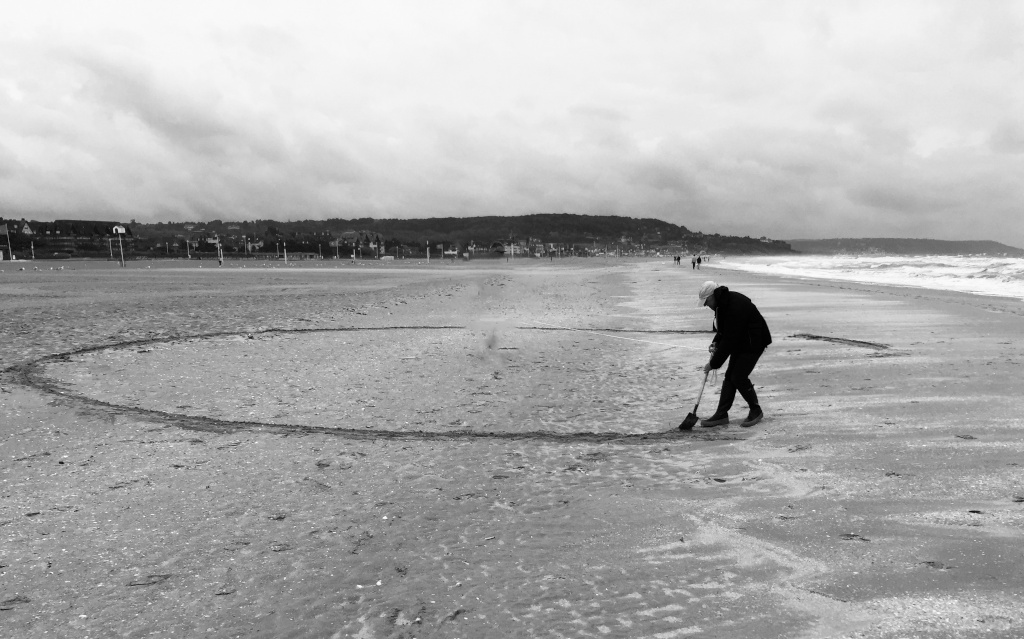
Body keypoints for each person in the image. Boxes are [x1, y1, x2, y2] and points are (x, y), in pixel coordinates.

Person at [697, 281, 771, 427]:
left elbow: (730, 339)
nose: (706, 305)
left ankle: (756, 410)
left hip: (754, 342)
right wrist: (716, 342)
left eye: (706, 301)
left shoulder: (733, 305)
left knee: (738, 376)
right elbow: (724, 331)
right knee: (730, 376)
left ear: (713, 296)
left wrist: (713, 364)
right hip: (741, 341)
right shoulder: (721, 305)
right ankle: (721, 414)